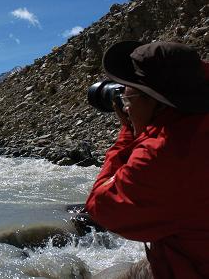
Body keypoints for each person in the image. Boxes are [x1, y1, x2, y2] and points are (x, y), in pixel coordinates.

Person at [85, 41, 209, 278]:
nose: (126, 107)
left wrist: (129, 135)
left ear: (156, 100)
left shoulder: (166, 150)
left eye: (128, 96)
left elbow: (102, 207)